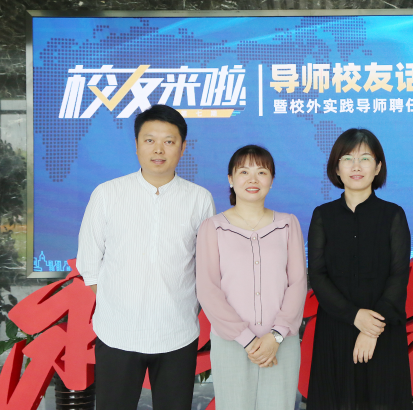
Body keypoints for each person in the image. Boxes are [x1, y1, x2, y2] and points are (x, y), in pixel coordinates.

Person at [76, 104, 215, 410]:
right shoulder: (107, 194)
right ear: (137, 145)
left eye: (169, 141)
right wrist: (123, 304)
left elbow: (205, 267)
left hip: (177, 332)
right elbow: (89, 264)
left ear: (182, 147)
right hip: (118, 332)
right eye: (149, 140)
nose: (158, 149)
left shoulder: (199, 199)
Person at [307, 128, 412, 410]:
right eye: (347, 159)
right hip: (335, 329)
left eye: (365, 158)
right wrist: (354, 316)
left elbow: (399, 275)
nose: (356, 166)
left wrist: (371, 329)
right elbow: (317, 275)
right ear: (336, 168)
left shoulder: (393, 214)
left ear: (377, 167)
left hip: (383, 331)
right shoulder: (323, 215)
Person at [196, 145, 307, 410]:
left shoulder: (287, 224)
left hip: (281, 343)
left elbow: (297, 283)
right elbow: (208, 289)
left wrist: (275, 337)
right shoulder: (213, 227)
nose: (253, 179)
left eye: (262, 172)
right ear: (230, 179)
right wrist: (247, 340)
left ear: (272, 180)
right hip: (231, 343)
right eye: (244, 172)